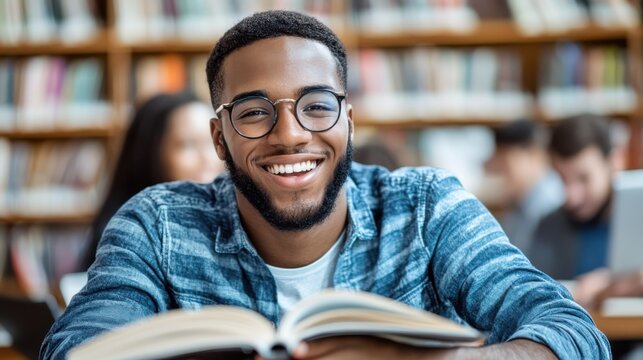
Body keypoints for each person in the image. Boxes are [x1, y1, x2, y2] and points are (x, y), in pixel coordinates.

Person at [41, 11, 609, 359]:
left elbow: (576, 335)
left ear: (349, 120)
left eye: (317, 106)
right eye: (254, 112)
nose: (290, 135)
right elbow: (77, 348)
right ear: (219, 140)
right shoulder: (157, 225)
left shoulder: (428, 209)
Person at [79, 92, 224, 270]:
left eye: (213, 142)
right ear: (149, 152)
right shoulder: (126, 235)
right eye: (188, 144)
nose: (208, 158)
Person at [531, 114, 625, 281]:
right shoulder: (548, 227)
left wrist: (610, 285)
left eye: (583, 178)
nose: (571, 197)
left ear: (614, 163)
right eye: (562, 179)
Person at [485, 119, 563, 256]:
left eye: (505, 165)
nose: (499, 174)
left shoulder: (553, 202)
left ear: (534, 156)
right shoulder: (520, 200)